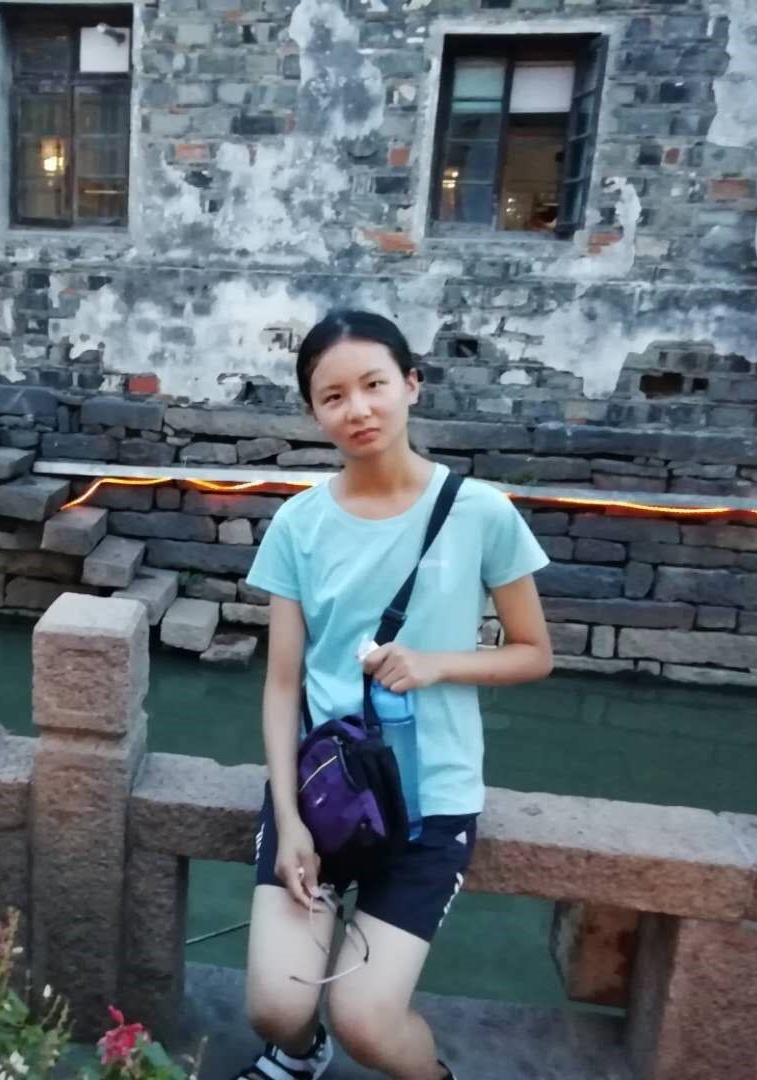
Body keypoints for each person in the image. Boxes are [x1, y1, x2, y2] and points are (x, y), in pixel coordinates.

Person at [235, 310, 554, 1080]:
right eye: (333, 396)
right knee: (276, 1006)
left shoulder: (480, 513)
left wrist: (436, 664)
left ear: (411, 384)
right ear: (314, 412)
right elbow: (283, 684)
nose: (359, 409)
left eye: (374, 384)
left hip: (429, 800)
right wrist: (289, 819)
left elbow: (535, 653)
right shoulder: (298, 524)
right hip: (323, 790)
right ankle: (298, 1054)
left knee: (367, 1020)